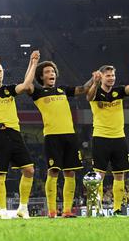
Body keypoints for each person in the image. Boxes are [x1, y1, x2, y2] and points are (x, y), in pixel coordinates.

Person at [29, 56, 93, 218]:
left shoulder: (63, 90)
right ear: (41, 76)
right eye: (47, 72)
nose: (51, 74)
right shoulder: (38, 92)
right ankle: (51, 211)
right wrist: (33, 63)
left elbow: (82, 89)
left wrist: (94, 78)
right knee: (54, 171)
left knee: (70, 173)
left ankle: (66, 210)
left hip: (70, 135)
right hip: (52, 136)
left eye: (52, 71)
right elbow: (27, 84)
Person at [84, 58, 129, 214]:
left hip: (119, 138)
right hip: (100, 137)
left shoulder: (118, 91)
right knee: (99, 175)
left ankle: (118, 208)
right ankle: (97, 209)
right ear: (101, 77)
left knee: (120, 175)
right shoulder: (96, 91)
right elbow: (89, 97)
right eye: (108, 75)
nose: (111, 78)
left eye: (112, 75)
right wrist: (95, 82)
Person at [0, 51, 39, 217]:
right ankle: (3, 211)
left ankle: (23, 207)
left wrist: (33, 62)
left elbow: (27, 84)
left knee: (29, 170)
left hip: (15, 133)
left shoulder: (9, 89)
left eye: (0, 71)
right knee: (0, 174)